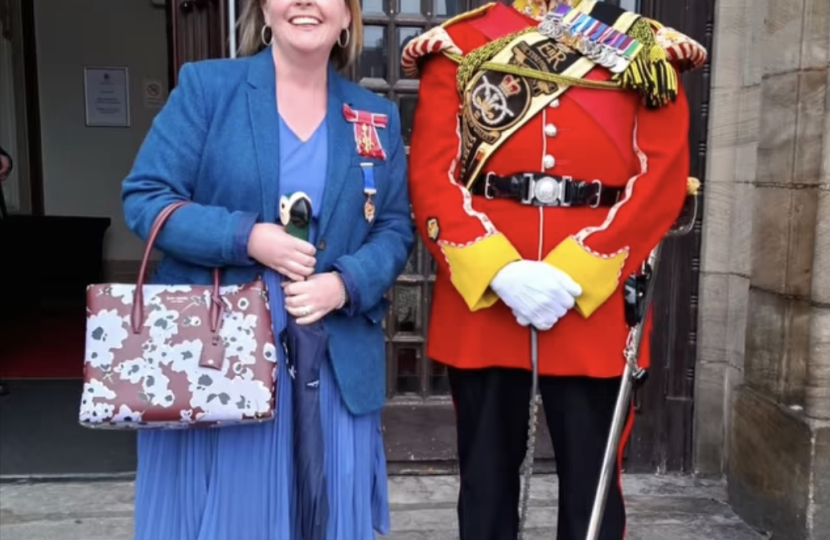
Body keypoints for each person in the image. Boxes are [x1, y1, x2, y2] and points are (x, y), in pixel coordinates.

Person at [402, 0, 707, 539]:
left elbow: (661, 178)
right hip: (487, 298)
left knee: (592, 489)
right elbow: (431, 172)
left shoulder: (643, 48)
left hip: (592, 297)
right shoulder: (460, 42)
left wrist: (582, 268)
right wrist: (495, 269)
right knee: (485, 482)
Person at [120, 0, 414, 537]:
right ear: (264, 9)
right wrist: (246, 237)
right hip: (218, 351)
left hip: (333, 345)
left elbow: (394, 228)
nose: (305, 2)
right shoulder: (209, 89)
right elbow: (146, 199)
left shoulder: (376, 115)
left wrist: (345, 283)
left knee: (328, 509)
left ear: (348, 16)